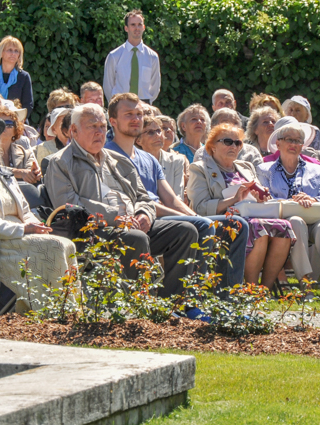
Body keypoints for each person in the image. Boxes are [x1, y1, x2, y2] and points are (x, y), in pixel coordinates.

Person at [46, 104, 198, 298]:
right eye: (92, 126)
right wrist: (117, 218)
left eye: (102, 126)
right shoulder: (60, 162)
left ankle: (174, 301)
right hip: (90, 231)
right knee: (136, 239)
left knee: (184, 231)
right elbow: (69, 207)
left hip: (132, 224)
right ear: (74, 130)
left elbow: (143, 196)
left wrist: (144, 214)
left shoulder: (119, 160)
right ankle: (137, 304)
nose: (99, 132)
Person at [106, 94, 248, 289]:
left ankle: (227, 295)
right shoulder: (109, 156)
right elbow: (139, 202)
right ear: (112, 121)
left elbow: (171, 199)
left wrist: (194, 216)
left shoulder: (148, 159)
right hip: (143, 218)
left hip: (163, 214)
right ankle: (192, 295)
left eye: (139, 114)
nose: (136, 119)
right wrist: (194, 219)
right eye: (128, 114)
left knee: (237, 225)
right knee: (202, 226)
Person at [0, 114, 76, 310]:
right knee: (53, 247)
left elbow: (24, 211)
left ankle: (67, 308)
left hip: (19, 238)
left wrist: (37, 226)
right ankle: (52, 311)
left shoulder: (2, 173)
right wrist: (24, 229)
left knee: (67, 244)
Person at [186, 124, 295, 293]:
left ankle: (264, 290)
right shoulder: (200, 169)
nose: (234, 146)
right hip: (219, 221)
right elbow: (200, 208)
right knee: (258, 228)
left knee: (284, 227)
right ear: (212, 146)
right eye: (227, 142)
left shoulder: (246, 167)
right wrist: (233, 199)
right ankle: (251, 289)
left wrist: (261, 198)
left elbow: (256, 197)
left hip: (251, 216)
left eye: (238, 143)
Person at [258, 121, 320, 298]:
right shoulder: (264, 170)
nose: (294, 144)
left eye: (298, 141)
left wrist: (312, 199)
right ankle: (306, 284)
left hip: (314, 219)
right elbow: (265, 200)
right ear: (278, 144)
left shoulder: (315, 169)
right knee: (295, 223)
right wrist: (292, 202)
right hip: (283, 224)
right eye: (289, 139)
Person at [103, 9, 161, 104]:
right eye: (133, 25)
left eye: (139, 24)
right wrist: (116, 105)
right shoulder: (114, 56)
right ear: (126, 28)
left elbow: (155, 86)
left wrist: (146, 102)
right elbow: (108, 85)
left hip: (144, 103)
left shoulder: (152, 57)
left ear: (144, 27)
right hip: (120, 103)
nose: (137, 28)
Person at [136, 115, 189, 201]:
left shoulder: (177, 161)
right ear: (138, 140)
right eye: (150, 132)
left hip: (172, 208)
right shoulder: (133, 162)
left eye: (158, 130)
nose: (157, 135)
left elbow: (178, 196)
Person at [0, 36, 34, 118]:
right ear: (1, 53)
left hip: (17, 119)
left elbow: (28, 104)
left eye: (16, 51)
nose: (13, 54)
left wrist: (19, 120)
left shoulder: (24, 76)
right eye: (10, 50)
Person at [194, 108, 263, 168]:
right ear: (213, 127)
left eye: (235, 123)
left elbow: (260, 178)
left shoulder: (251, 153)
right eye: (226, 122)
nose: (231, 127)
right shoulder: (203, 154)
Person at [0, 106, 41, 184]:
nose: (3, 127)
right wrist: (20, 173)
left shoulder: (25, 153)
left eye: (8, 124)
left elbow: (30, 170)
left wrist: (34, 173)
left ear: (16, 129)